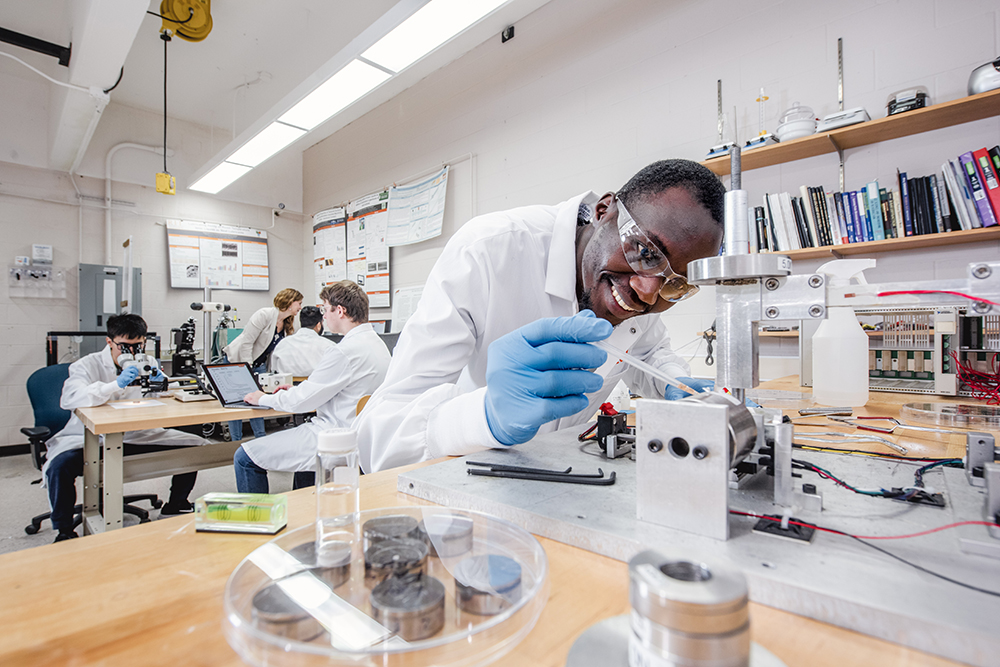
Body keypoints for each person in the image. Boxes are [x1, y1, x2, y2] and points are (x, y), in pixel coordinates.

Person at [355, 159, 725, 472]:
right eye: (645, 252)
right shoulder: (489, 251)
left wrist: (680, 386)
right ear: (604, 211)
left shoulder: (638, 295)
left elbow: (649, 352)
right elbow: (379, 437)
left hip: (570, 483)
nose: (647, 291)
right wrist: (486, 415)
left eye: (674, 285)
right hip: (470, 481)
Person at [43, 314, 207, 541]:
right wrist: (114, 385)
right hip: (91, 439)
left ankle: (176, 503)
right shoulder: (87, 365)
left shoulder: (146, 362)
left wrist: (161, 383)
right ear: (109, 341)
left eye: (138, 345)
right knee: (59, 466)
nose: (132, 352)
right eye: (125, 346)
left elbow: (158, 398)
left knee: (195, 446)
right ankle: (64, 530)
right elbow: (70, 398)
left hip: (138, 434)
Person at [233, 281, 391, 493]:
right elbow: (332, 390)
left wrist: (262, 398)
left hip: (332, 434)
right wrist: (298, 391)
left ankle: (257, 521)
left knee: (244, 457)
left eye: (326, 310)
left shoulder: (344, 351)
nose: (323, 316)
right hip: (362, 436)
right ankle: (304, 510)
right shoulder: (377, 345)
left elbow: (302, 402)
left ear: (340, 311)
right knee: (303, 465)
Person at [222, 288, 303, 441]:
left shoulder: (286, 323)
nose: (300, 307)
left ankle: (260, 438)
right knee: (236, 402)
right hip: (238, 361)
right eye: (299, 303)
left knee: (257, 399)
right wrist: (247, 368)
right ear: (290, 302)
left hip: (258, 364)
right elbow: (247, 342)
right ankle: (235, 441)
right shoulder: (264, 315)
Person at [270, 305, 335, 376]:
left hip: (286, 386)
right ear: (319, 325)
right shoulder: (329, 346)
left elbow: (274, 371)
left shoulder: (282, 344)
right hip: (315, 386)